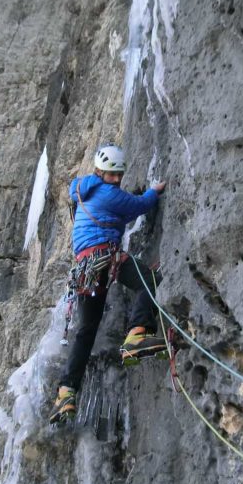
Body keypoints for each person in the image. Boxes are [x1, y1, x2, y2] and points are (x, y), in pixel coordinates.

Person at [50, 144, 167, 424]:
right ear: (101, 172)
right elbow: (139, 206)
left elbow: (122, 215)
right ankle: (137, 334)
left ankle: (65, 393)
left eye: (119, 175)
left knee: (86, 331)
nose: (116, 179)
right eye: (112, 174)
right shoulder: (108, 193)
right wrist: (155, 191)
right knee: (149, 280)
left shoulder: (83, 192)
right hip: (104, 258)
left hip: (84, 269)